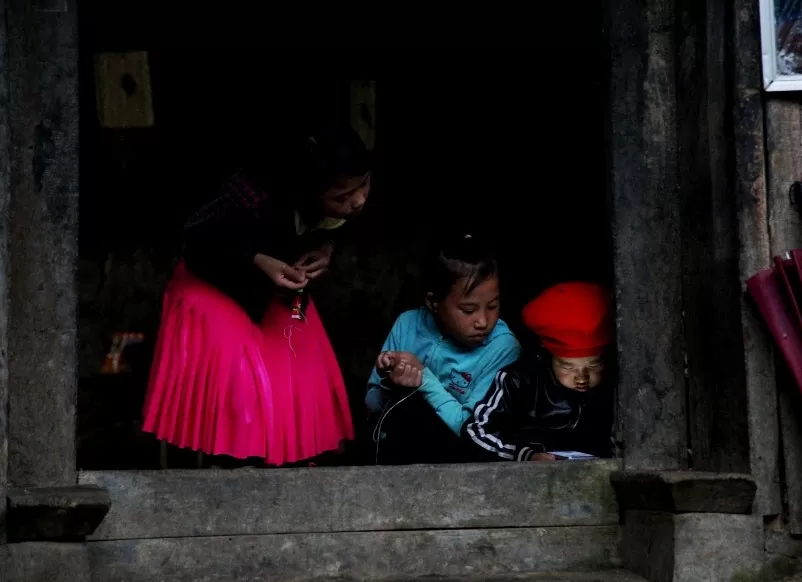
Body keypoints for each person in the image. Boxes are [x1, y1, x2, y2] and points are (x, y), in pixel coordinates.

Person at [142, 123, 370, 466]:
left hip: (267, 288)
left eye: (364, 185)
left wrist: (327, 248)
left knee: (303, 369)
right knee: (245, 381)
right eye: (341, 197)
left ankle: (295, 463)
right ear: (307, 191)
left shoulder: (343, 199)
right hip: (210, 281)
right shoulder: (252, 195)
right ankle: (235, 465)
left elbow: (337, 227)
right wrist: (256, 259)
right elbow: (198, 240)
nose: (359, 200)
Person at [365, 234, 521, 464]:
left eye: (493, 306)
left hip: (460, 464)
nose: (483, 321)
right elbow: (371, 403)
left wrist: (423, 379)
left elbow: (473, 431)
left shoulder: (502, 348)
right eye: (468, 310)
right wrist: (390, 380)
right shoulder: (408, 325)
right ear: (433, 302)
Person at [463, 281, 616, 462]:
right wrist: (525, 455)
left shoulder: (618, 385)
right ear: (548, 356)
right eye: (568, 366)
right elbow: (476, 431)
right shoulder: (518, 381)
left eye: (594, 366)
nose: (582, 377)